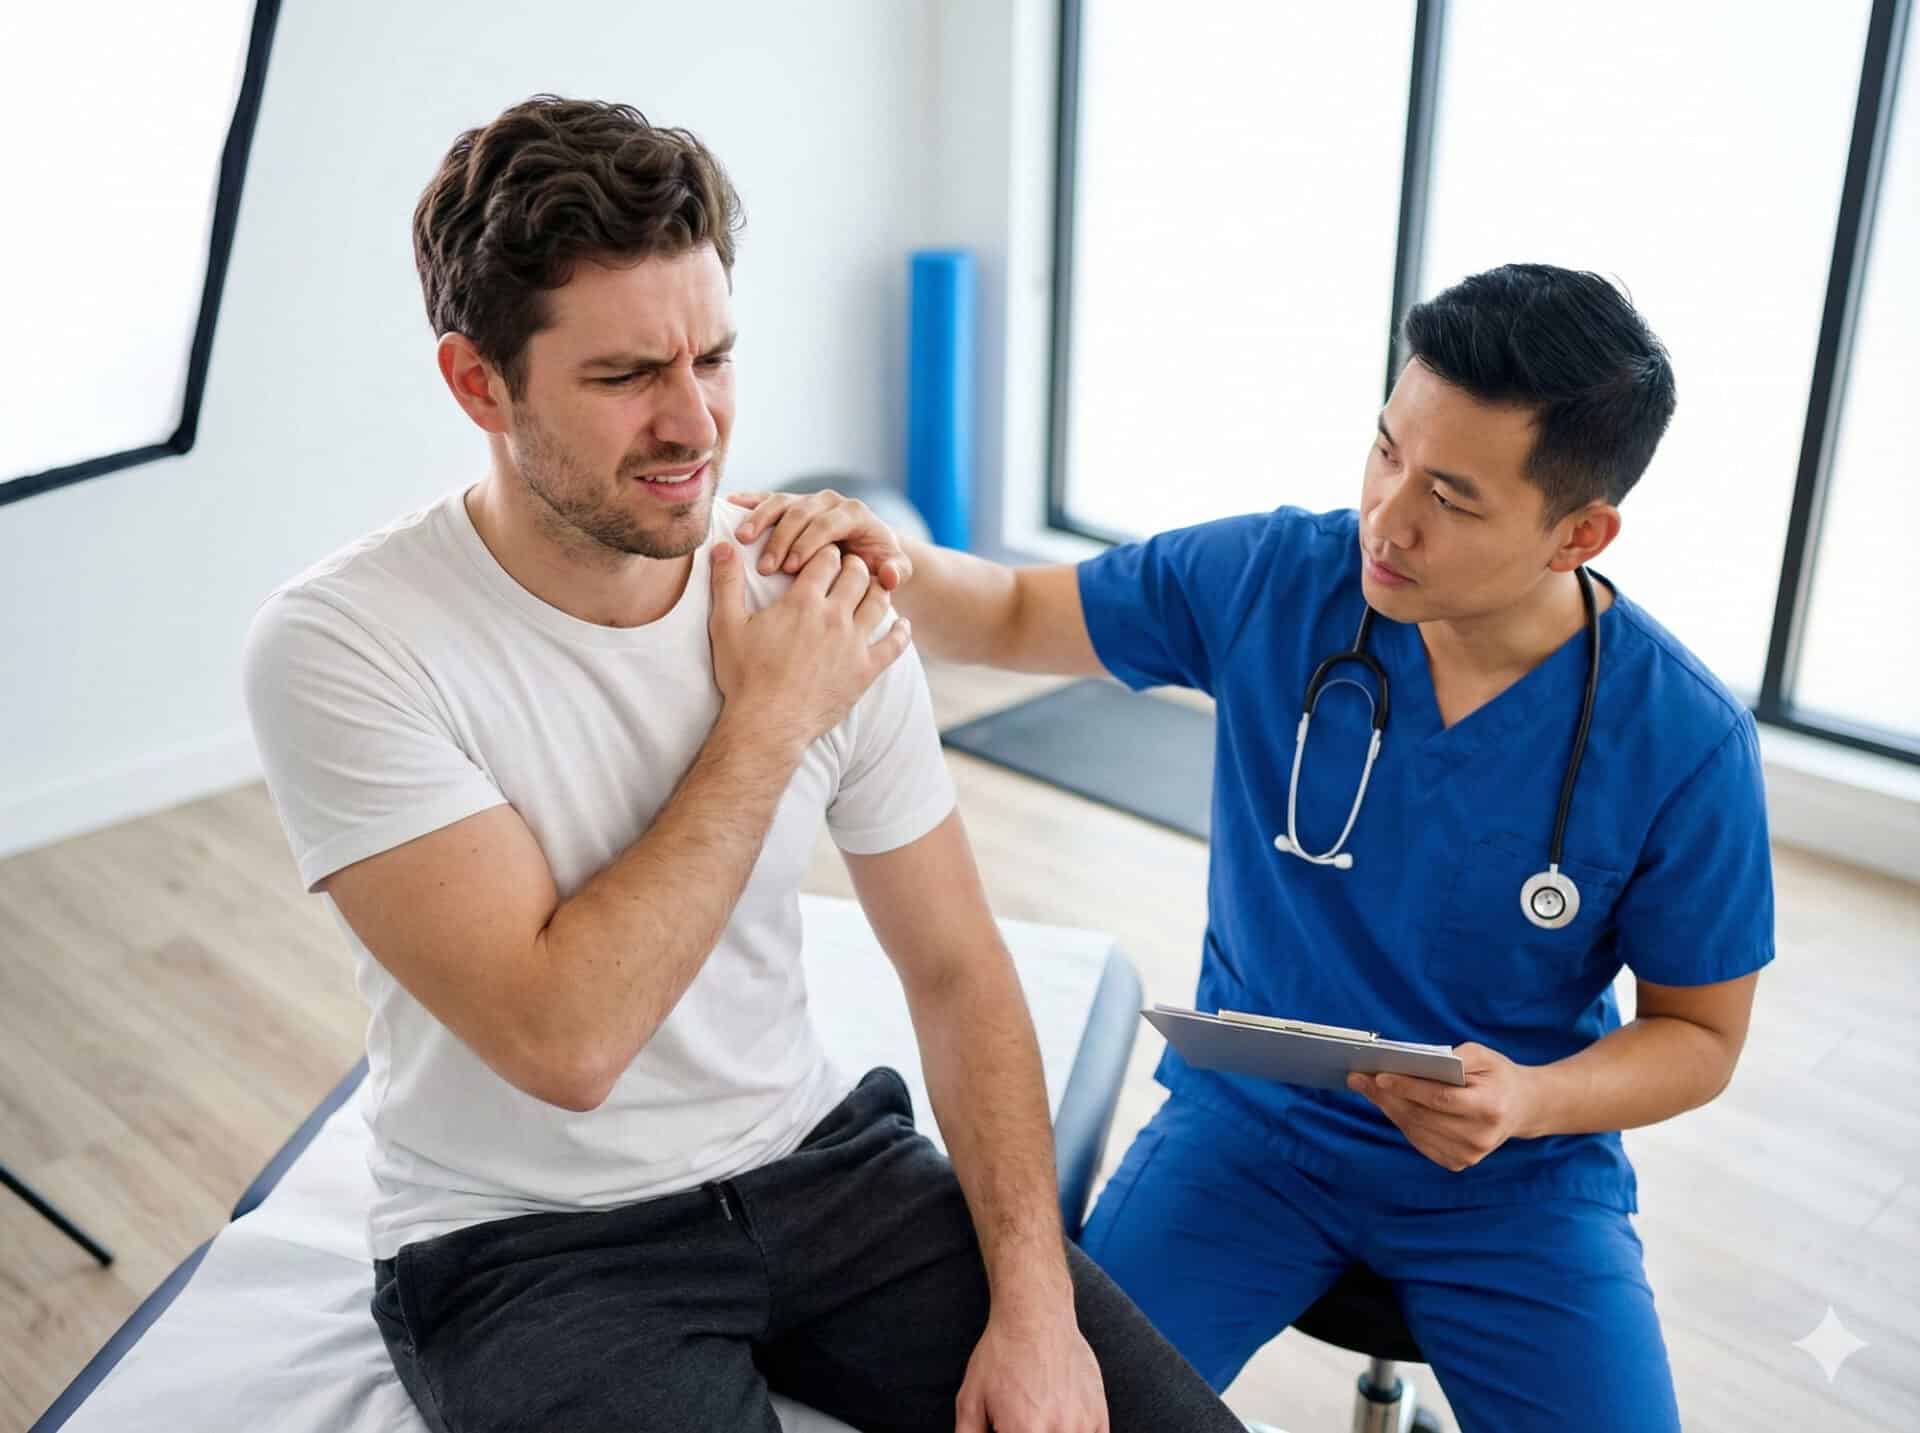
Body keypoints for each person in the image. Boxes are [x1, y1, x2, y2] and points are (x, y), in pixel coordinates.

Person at [240, 95, 1242, 1433]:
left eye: (713, 355)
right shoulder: (345, 645)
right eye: (624, 378)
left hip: (820, 1169)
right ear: (478, 382)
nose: (697, 424)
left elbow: (953, 967)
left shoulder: (806, 592)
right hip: (531, 1253)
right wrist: (765, 723)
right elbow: (569, 1038)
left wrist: (1037, 1308)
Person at [729, 263, 1775, 1432]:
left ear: (1577, 532)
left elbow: (1700, 1035)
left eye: (1452, 495)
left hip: (1514, 1178)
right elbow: (1017, 613)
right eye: (1385, 448)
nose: (1388, 515)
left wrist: (1531, 1099)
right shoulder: (1282, 579)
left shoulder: (1681, 736)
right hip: (1251, 1129)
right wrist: (886, 558)